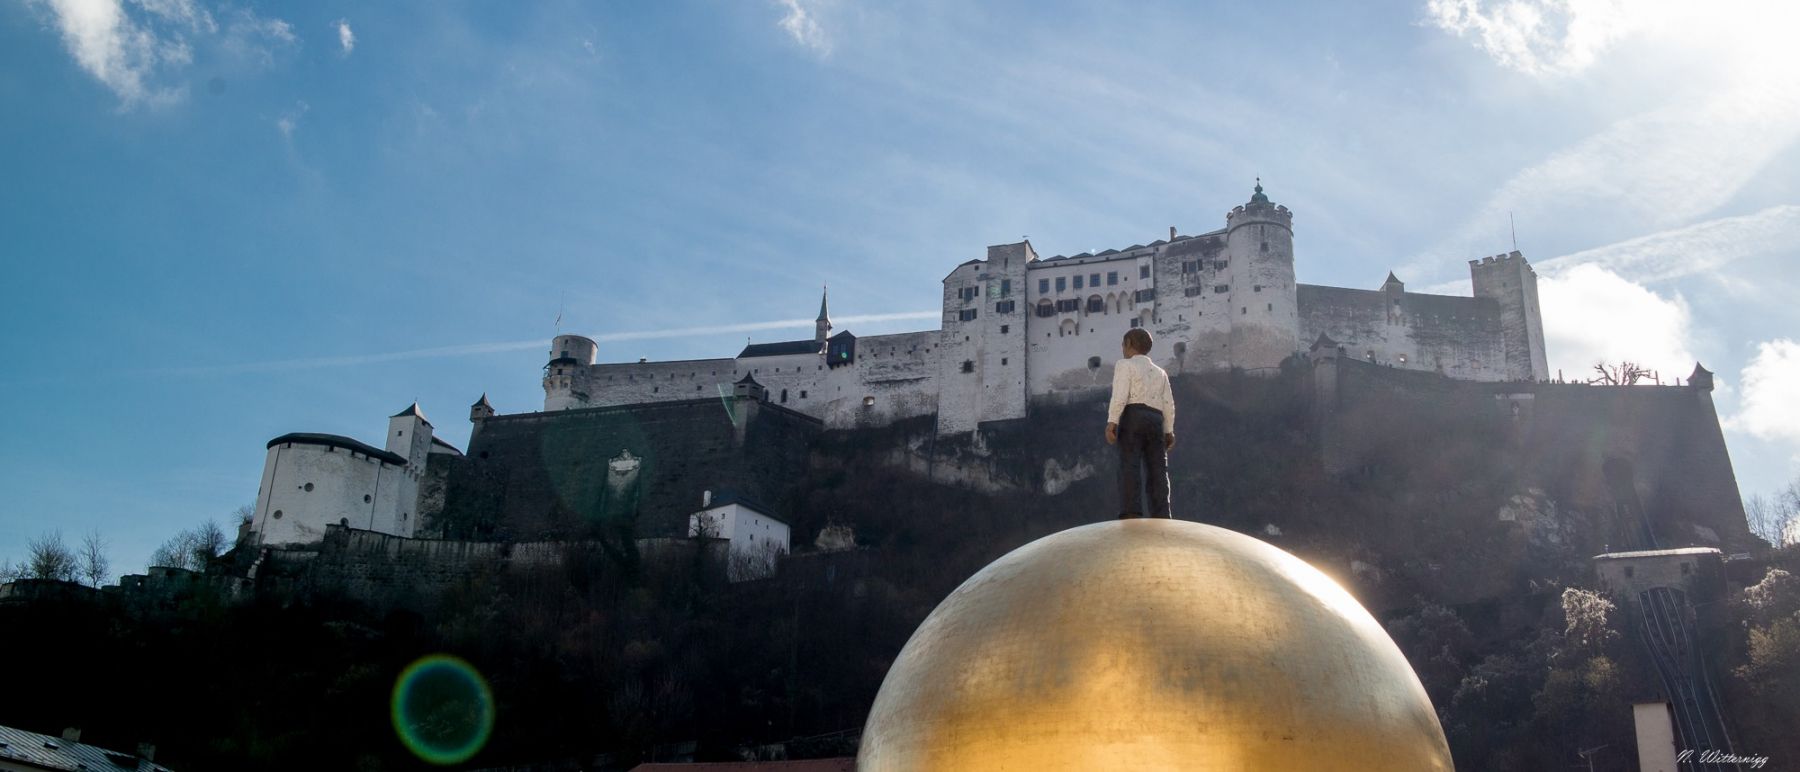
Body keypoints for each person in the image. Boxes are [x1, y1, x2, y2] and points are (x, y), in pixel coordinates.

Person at [1105, 328, 1175, 518]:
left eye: (1123, 344)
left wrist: (1112, 422)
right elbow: (1168, 404)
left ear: (1128, 344)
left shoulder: (1125, 365)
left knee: (1129, 465)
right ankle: (1161, 514)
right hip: (1155, 419)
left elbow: (1119, 395)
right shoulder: (1161, 373)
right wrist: (1169, 431)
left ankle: (1131, 512)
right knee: (1158, 469)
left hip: (1133, 416)